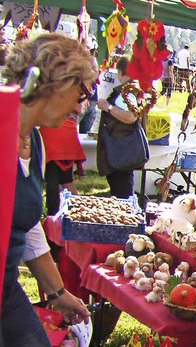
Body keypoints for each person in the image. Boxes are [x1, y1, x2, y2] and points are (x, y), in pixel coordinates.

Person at [2, 32, 95, 346]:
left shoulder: (36, 143)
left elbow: (26, 228)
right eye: (81, 94)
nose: (79, 108)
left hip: (5, 287)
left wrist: (58, 293)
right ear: (61, 84)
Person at [96, 57, 140, 199]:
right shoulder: (132, 89)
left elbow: (131, 116)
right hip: (122, 151)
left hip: (121, 152)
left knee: (123, 194)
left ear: (120, 73)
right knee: (121, 191)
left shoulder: (127, 92)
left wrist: (108, 107)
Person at [39, 116, 86, 215]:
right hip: (53, 136)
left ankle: (77, 211)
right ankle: (76, 211)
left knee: (60, 181)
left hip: (62, 136)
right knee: (62, 181)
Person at [78, 48, 99, 133]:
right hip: (84, 102)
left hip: (92, 102)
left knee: (85, 133)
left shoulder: (92, 61)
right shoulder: (87, 62)